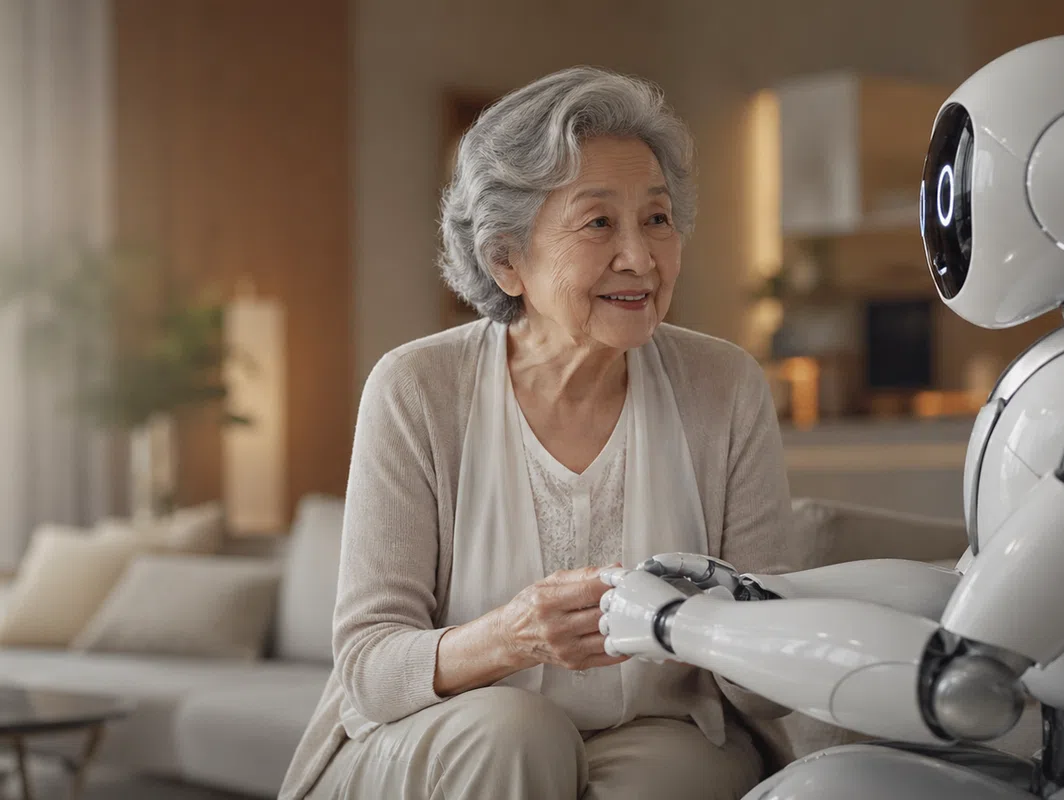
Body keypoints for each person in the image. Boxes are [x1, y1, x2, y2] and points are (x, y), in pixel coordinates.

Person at [280, 65, 811, 800]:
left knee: (671, 777)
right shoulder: (416, 388)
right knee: (517, 734)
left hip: (654, 729)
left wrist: (728, 633)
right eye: (599, 223)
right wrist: (511, 636)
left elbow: (771, 684)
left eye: (657, 219)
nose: (641, 257)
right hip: (449, 730)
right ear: (506, 261)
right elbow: (370, 666)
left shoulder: (724, 386)